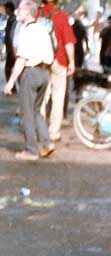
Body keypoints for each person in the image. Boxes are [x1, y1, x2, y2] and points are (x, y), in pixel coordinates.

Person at [4, 0, 54, 161]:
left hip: (30, 73)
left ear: (27, 13)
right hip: (44, 72)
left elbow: (21, 59)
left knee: (27, 113)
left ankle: (31, 150)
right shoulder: (42, 29)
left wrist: (11, 81)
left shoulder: (27, 32)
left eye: (20, 10)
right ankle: (46, 143)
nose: (17, 12)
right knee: (36, 111)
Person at [39, 0, 75, 142]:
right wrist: (71, 61)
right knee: (58, 97)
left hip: (41, 61)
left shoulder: (37, 15)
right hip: (59, 61)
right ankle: (54, 132)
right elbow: (68, 42)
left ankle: (40, 129)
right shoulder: (62, 16)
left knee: (41, 97)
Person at [4, 1, 17, 82]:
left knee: (9, 67)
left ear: (9, 9)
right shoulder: (11, 18)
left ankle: (11, 85)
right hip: (10, 47)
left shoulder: (13, 19)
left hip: (11, 47)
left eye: (6, 8)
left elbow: (12, 35)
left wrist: (11, 49)